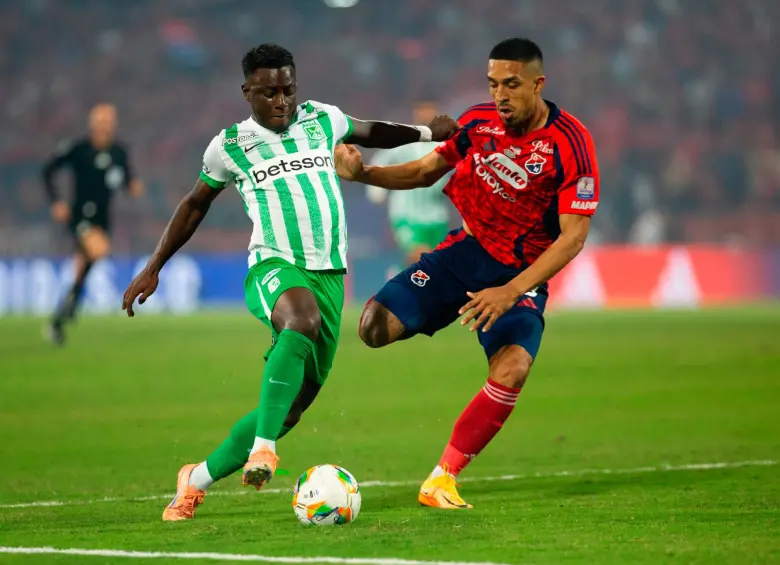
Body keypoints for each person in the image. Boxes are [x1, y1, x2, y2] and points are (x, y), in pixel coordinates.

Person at [121, 43, 460, 521]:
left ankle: (194, 479)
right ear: (248, 93)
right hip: (274, 265)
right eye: (269, 93)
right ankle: (264, 450)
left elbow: (373, 130)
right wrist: (155, 265)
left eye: (288, 90)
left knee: (293, 408)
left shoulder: (322, 118)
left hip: (330, 275)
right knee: (300, 319)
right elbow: (195, 204)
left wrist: (429, 132)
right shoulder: (230, 145)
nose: (281, 101)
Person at [337, 37, 600, 509]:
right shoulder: (479, 122)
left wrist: (512, 290)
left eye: (512, 84)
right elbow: (423, 171)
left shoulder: (571, 143)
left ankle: (443, 478)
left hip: (520, 274)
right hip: (464, 253)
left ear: (538, 84)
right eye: (494, 83)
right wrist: (364, 175)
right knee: (372, 328)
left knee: (513, 367)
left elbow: (573, 237)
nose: (501, 95)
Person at [42, 103, 143, 345]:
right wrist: (56, 201)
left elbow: (128, 180)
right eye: (100, 122)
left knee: (85, 266)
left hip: (103, 219)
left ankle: (62, 316)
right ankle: (68, 309)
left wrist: (133, 187)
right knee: (97, 250)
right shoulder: (78, 149)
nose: (104, 127)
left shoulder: (119, 152)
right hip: (80, 216)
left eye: (108, 122)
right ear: (92, 125)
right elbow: (48, 171)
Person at [364, 101, 454, 270]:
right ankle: (402, 285)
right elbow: (381, 159)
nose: (427, 114)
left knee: (434, 262)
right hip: (406, 214)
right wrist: (376, 189)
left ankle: (398, 277)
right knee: (418, 254)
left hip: (437, 215)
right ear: (416, 113)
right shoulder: (405, 140)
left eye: (431, 110)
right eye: (423, 110)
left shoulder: (445, 145)